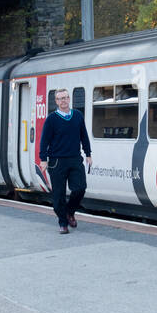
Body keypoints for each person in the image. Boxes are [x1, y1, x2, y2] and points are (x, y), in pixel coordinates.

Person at [38, 88, 92, 234]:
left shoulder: (77, 116)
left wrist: (88, 153)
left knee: (80, 188)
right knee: (58, 195)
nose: (64, 100)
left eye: (66, 97)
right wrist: (43, 159)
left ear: (69, 99)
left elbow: (84, 136)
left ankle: (69, 212)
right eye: (60, 98)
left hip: (75, 159)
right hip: (57, 162)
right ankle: (63, 222)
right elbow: (44, 141)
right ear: (56, 101)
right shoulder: (51, 119)